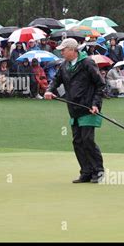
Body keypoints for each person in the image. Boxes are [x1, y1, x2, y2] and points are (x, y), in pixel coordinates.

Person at [44, 38, 105, 184]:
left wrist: (96, 104)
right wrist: (49, 90)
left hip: (89, 108)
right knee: (77, 141)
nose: (61, 52)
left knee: (87, 140)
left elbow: (100, 85)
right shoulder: (64, 65)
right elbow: (56, 81)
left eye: (63, 50)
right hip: (74, 109)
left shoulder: (87, 63)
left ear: (72, 50)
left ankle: (98, 171)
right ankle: (86, 172)